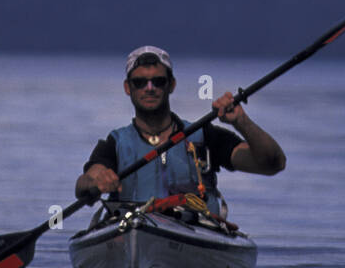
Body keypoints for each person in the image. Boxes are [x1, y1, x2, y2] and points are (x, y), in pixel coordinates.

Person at [75, 45, 286, 217]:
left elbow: (273, 164)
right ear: (127, 88)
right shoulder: (114, 143)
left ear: (171, 85)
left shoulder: (205, 136)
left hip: (195, 235)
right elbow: (84, 184)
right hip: (129, 232)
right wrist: (95, 181)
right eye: (140, 82)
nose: (149, 88)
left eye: (158, 81)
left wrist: (242, 122)